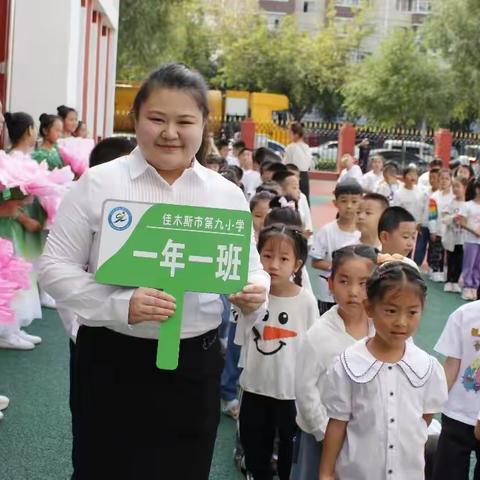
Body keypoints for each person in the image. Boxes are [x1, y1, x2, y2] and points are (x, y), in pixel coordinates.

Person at [39, 63, 269, 480]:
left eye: (185, 121)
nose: (170, 133)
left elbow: (252, 269)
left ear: (204, 125)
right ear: (136, 119)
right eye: (157, 119)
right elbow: (54, 268)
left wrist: (255, 290)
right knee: (102, 468)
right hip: (111, 358)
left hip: (194, 365)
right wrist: (121, 304)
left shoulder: (225, 196)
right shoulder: (99, 183)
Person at [319, 261, 448, 480]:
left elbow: (425, 416)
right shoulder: (349, 364)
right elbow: (337, 423)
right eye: (390, 310)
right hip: (357, 473)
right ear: (369, 307)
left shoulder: (426, 367)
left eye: (412, 312)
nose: (401, 322)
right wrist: (325, 473)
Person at [239, 223, 318, 480]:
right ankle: (257, 473)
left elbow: (313, 344)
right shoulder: (250, 295)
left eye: (284, 258)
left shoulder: (305, 299)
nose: (273, 265)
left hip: (290, 391)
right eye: (267, 255)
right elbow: (241, 335)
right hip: (254, 386)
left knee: (289, 444)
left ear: (297, 264)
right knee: (252, 440)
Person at [292, 245, 377, 480]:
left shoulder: (379, 329)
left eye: (364, 283)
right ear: (330, 284)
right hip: (319, 437)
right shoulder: (319, 335)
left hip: (364, 437)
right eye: (344, 281)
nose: (353, 291)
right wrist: (326, 435)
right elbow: (305, 390)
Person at [0, 111, 43, 350]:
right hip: (7, 226)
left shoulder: (11, 157)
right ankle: (6, 331)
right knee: (9, 278)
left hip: (12, 224)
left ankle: (12, 327)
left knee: (17, 276)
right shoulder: (11, 158)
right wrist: (18, 212)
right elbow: (5, 194)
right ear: (29, 130)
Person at [432, 300, 480, 479]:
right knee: (447, 472)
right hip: (457, 414)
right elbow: (452, 365)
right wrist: (431, 405)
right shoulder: (464, 314)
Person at [310, 180, 362, 315]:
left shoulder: (364, 232)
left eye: (354, 201)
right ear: (335, 203)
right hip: (328, 293)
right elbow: (315, 262)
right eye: (344, 201)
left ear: (361, 203)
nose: (349, 206)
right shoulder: (326, 231)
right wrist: (338, 268)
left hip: (356, 293)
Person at [441, 176, 467, 293]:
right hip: (451, 237)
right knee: (450, 258)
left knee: (459, 260)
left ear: (465, 188)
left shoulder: (467, 204)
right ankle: (449, 281)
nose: (455, 189)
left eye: (458, 186)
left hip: (462, 238)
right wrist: (453, 218)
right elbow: (444, 218)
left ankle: (455, 281)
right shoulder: (451, 202)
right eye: (454, 187)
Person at [457, 176, 480, 301]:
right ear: (477, 189)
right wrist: (474, 231)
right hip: (471, 240)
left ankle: (475, 286)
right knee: (469, 264)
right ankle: (467, 286)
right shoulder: (467, 205)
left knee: (478, 265)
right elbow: (462, 222)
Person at [428, 169, 454, 282]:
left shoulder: (454, 196)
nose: (444, 181)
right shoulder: (434, 197)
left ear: (451, 180)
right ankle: (434, 270)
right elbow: (432, 216)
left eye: (447, 178)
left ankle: (443, 271)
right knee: (436, 251)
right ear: (438, 180)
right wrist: (432, 230)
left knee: (447, 252)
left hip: (450, 230)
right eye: (442, 178)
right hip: (438, 230)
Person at [284, 122, 312, 205]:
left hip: (293, 175)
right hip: (305, 177)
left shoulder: (291, 147)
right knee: (304, 200)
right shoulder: (307, 147)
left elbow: (285, 163)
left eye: (290, 133)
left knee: (292, 200)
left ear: (296, 134)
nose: (289, 135)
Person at [284, 164, 314, 240]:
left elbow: (308, 222)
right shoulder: (277, 199)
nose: (293, 179)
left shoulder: (302, 197)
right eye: (290, 175)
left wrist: (309, 240)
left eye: (296, 176)